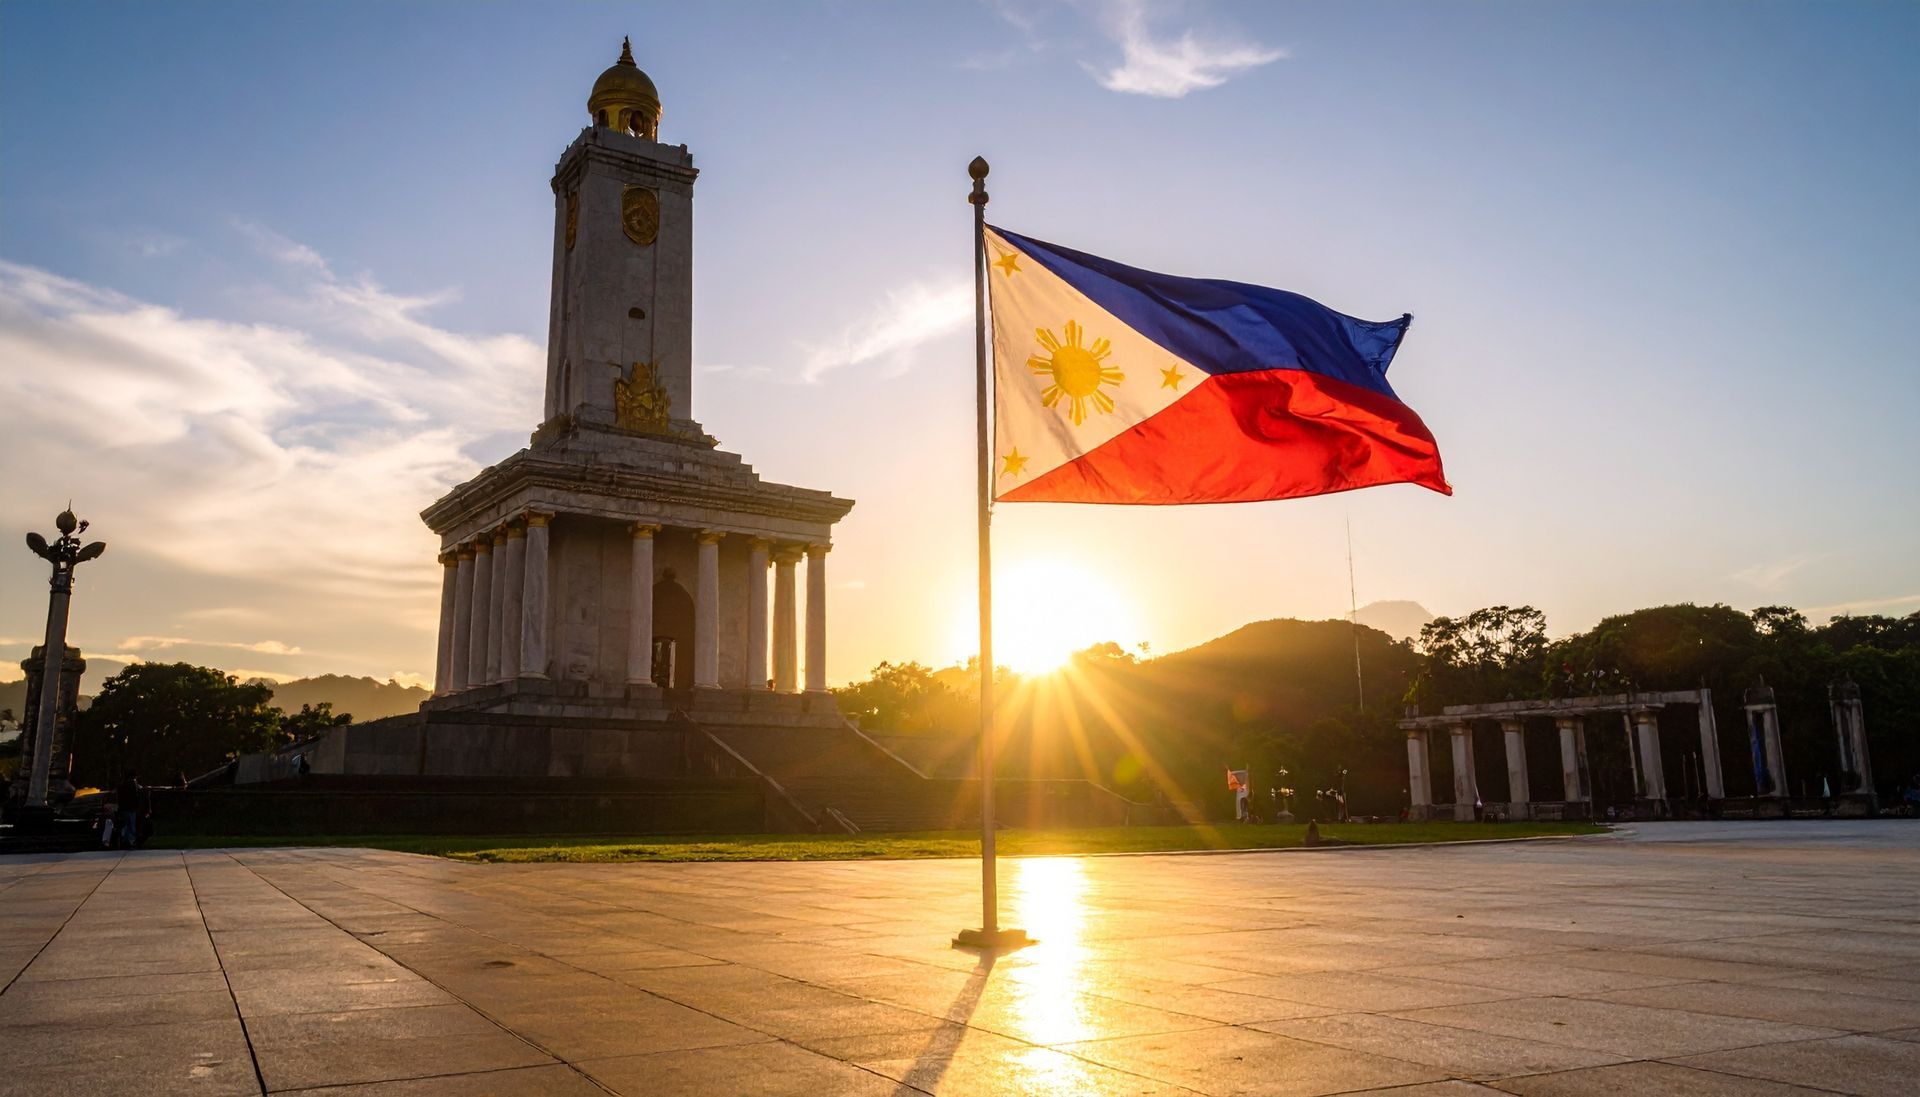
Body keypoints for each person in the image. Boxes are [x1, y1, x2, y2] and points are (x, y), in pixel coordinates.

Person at [113, 771, 144, 850]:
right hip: (131, 808)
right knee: (131, 825)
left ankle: (124, 840)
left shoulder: (121, 785)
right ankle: (131, 841)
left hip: (124, 808)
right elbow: (136, 795)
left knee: (125, 825)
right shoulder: (133, 784)